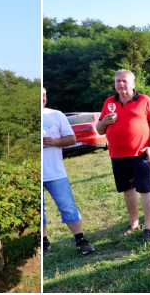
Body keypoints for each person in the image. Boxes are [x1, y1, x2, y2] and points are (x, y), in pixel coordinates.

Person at [95, 69, 150, 243]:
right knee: (128, 190)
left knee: (145, 189)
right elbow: (99, 129)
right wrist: (105, 122)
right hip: (117, 155)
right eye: (118, 81)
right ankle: (134, 223)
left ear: (133, 84)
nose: (121, 84)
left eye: (124, 81)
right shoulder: (109, 102)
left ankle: (148, 227)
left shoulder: (144, 100)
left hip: (140, 153)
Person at [42, 88, 96, 256]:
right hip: (34, 173)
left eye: (44, 95)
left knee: (67, 206)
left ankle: (80, 239)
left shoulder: (56, 115)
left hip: (55, 172)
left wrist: (55, 141)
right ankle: (43, 242)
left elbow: (72, 139)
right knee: (38, 210)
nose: (42, 98)